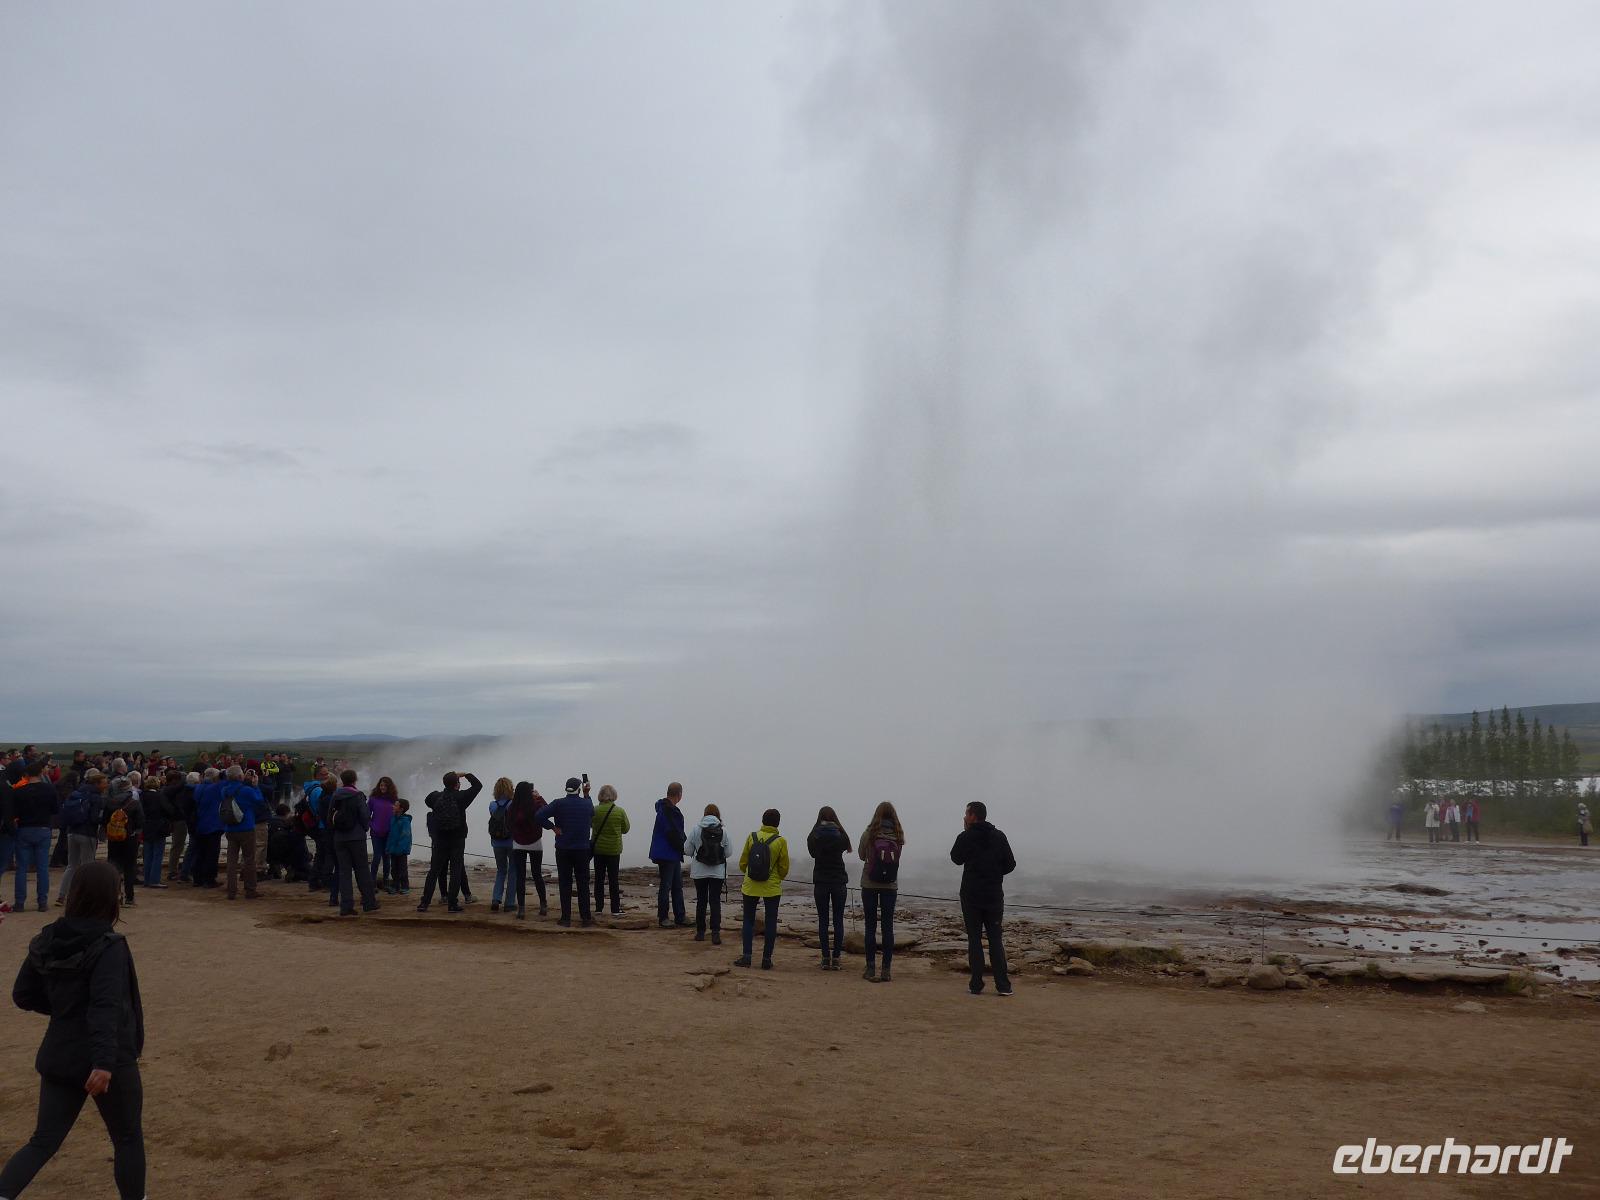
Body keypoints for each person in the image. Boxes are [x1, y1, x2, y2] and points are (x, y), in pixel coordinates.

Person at [0, 861, 146, 1199]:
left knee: (43, 1141)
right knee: (127, 1138)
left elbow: (23, 994)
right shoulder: (110, 945)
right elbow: (105, 1006)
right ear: (110, 897)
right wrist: (104, 1062)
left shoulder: (47, 937)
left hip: (60, 1053)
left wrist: (66, 1009)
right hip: (107, 1059)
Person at [951, 800, 1016, 997]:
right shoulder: (999, 836)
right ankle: (1003, 986)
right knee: (996, 939)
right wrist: (995, 874)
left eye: (966, 814)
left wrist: (965, 832)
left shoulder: (966, 836)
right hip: (994, 894)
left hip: (971, 894)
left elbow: (955, 858)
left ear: (973, 816)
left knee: (974, 939)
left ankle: (976, 984)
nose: (964, 817)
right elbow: (1010, 864)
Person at [418, 771, 481, 914]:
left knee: (434, 871)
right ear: (457, 784)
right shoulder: (462, 797)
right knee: (455, 871)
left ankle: (424, 903)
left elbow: (427, 800)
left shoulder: (436, 797)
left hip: (439, 839)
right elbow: (478, 785)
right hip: (457, 839)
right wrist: (466, 774)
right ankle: (452, 904)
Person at [734, 809, 789, 970]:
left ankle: (746, 956)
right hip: (771, 888)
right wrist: (777, 878)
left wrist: (750, 875)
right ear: (778, 823)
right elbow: (784, 867)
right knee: (771, 922)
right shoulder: (781, 841)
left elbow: (743, 863)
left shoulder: (752, 837)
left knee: (748, 920)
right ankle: (766, 959)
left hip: (750, 885)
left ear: (763, 821)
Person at [857, 801, 905, 983]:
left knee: (870, 926)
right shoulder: (898, 834)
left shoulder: (869, 833)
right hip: (890, 885)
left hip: (869, 883)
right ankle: (886, 970)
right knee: (887, 927)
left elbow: (862, 855)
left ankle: (870, 968)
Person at [537, 777, 595, 927]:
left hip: (563, 848)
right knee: (583, 883)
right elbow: (592, 813)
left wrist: (552, 827)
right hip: (582, 849)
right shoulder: (586, 803)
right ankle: (586, 918)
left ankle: (566, 918)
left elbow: (539, 815)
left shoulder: (558, 803)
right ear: (579, 789)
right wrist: (587, 794)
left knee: (565, 883)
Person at [807, 806, 850, 971]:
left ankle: (825, 958)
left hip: (821, 881)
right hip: (839, 880)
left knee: (823, 921)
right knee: (838, 920)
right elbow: (845, 847)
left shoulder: (814, 835)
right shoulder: (841, 835)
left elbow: (812, 854)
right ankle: (837, 958)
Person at [11, 759, 57, 913]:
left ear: (26, 774)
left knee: (21, 868)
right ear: (41, 772)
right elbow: (55, 810)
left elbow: (13, 813)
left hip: (24, 829)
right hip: (43, 828)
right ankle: (42, 902)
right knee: (42, 868)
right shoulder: (49, 789)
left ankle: (19, 903)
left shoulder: (18, 791)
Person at [58, 769, 107, 905]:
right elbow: (94, 818)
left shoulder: (77, 792)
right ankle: (86, 898)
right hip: (87, 834)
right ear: (97, 784)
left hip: (72, 832)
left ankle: (62, 895)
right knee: (87, 867)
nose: (106, 785)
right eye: (104, 783)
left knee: (71, 865)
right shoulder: (96, 797)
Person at [685, 802, 731, 944]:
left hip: (700, 871)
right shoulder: (724, 831)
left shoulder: (696, 829)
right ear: (718, 815)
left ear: (704, 814)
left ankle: (700, 932)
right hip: (717, 872)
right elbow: (729, 853)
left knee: (702, 901)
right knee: (715, 901)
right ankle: (715, 933)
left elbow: (687, 850)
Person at [221, 766, 266, 901]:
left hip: (230, 828)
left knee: (231, 861)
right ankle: (250, 890)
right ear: (241, 777)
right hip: (246, 827)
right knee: (249, 860)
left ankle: (231, 891)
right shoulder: (246, 790)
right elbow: (259, 801)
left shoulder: (224, 790)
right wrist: (255, 785)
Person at [504, 782, 547, 919]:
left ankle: (521, 909)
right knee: (537, 875)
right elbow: (547, 811)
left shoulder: (513, 807)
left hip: (518, 844)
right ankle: (543, 905)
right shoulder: (535, 805)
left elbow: (508, 824)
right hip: (535, 843)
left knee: (520, 876)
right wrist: (539, 797)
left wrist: (516, 834)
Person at [650, 782, 688, 928]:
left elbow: (676, 831)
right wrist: (683, 847)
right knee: (666, 886)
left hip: (670, 853)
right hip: (667, 853)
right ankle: (664, 917)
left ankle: (680, 916)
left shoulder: (666, 809)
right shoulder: (667, 810)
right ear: (679, 795)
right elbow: (672, 832)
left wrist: (685, 845)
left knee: (677, 885)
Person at [101, 779, 143, 907]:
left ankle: (116, 895)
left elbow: (104, 821)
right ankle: (129, 898)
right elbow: (141, 822)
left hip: (114, 839)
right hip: (130, 838)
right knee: (129, 867)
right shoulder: (134, 803)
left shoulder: (109, 803)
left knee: (114, 866)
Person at [590, 784, 630, 917]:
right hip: (614, 850)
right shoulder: (619, 811)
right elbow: (626, 829)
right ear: (613, 795)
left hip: (598, 849)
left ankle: (598, 908)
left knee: (599, 879)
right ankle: (615, 908)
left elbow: (591, 824)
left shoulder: (594, 810)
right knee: (614, 879)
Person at [189, 768, 226, 889]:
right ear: (215, 777)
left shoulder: (198, 787)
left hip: (199, 825)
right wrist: (223, 774)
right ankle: (209, 879)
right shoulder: (215, 788)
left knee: (199, 852)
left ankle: (197, 878)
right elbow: (227, 781)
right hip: (213, 825)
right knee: (212, 854)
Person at [488, 777, 515, 913]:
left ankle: (496, 898)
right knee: (513, 871)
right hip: (511, 841)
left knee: (501, 870)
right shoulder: (513, 804)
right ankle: (509, 903)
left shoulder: (492, 805)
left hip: (496, 842)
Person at [368, 776, 399, 893]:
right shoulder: (373, 799)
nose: (383, 787)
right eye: (381, 785)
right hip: (376, 832)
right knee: (376, 856)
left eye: (385, 786)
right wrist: (372, 825)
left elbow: (397, 815)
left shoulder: (394, 799)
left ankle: (386, 882)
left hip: (389, 833)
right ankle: (372, 883)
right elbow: (367, 814)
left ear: (389, 787)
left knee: (387, 858)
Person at [164, 770, 194, 882]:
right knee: (177, 846)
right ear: (174, 780)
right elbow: (180, 786)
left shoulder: (168, 789)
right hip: (178, 820)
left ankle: (173, 870)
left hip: (175, 820)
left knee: (177, 846)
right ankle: (172, 871)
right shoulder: (170, 790)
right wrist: (184, 777)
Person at [386, 798, 414, 895]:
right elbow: (391, 835)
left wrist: (401, 849)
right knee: (394, 869)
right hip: (393, 849)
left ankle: (405, 887)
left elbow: (406, 836)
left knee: (402, 869)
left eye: (396, 805)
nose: (393, 806)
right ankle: (395, 886)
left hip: (401, 850)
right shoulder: (393, 818)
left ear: (401, 809)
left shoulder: (405, 821)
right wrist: (389, 847)